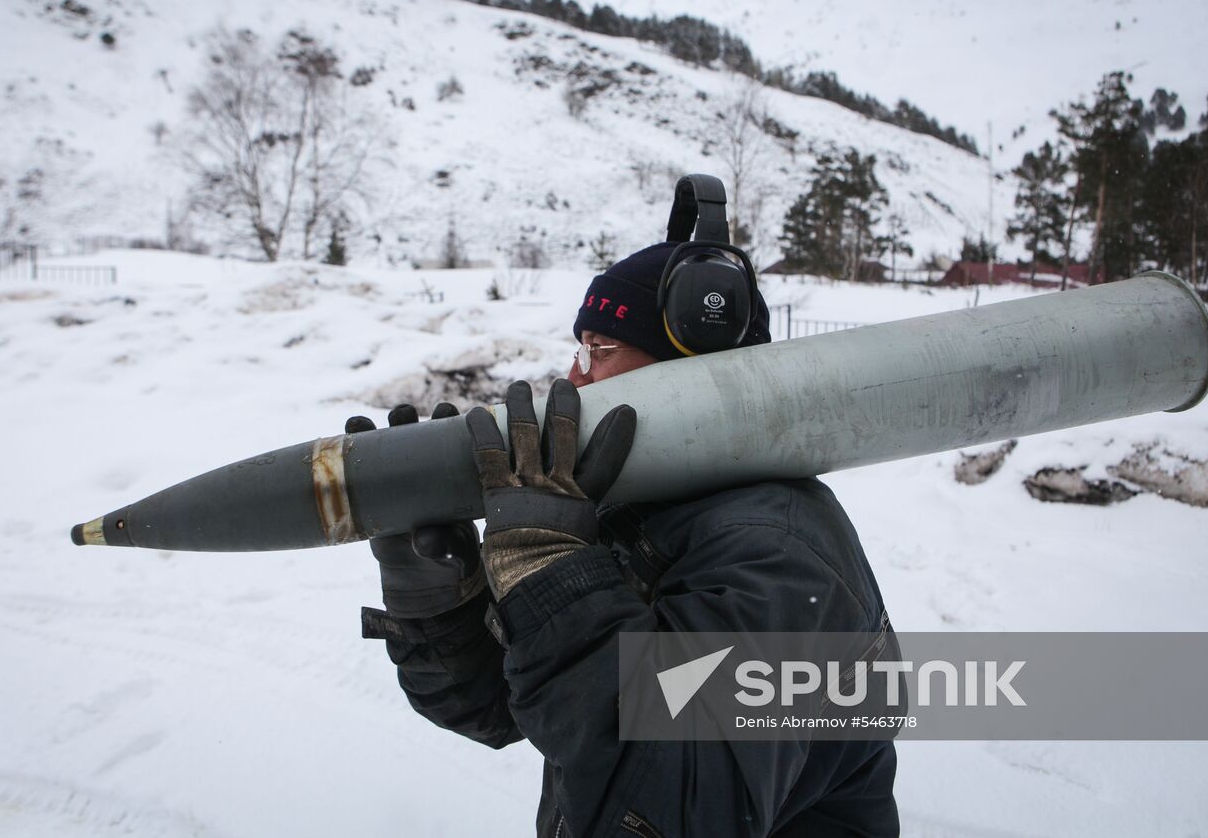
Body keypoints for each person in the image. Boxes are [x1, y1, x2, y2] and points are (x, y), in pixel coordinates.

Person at [350, 242, 898, 837]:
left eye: (599, 350)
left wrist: (550, 573)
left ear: (689, 372)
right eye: (579, 350)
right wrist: (441, 604)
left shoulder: (778, 549)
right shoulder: (648, 506)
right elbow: (509, 708)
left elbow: (663, 808)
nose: (575, 377)